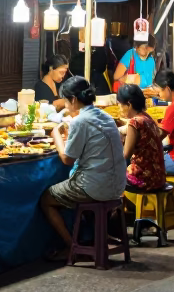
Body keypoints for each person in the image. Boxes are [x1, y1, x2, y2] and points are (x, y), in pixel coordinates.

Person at [39, 76, 127, 260]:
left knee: (47, 199)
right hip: (118, 185)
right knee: (81, 197)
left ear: (72, 99)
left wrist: (55, 134)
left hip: (95, 187)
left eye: (65, 99)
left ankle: (71, 246)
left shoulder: (81, 121)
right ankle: (92, 239)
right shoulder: (107, 117)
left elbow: (67, 159)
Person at [117, 83, 166, 190]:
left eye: (120, 104)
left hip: (145, 179)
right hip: (159, 177)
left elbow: (126, 154)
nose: (119, 108)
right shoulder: (147, 117)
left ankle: (124, 206)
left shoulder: (134, 122)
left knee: (111, 177)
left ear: (129, 104)